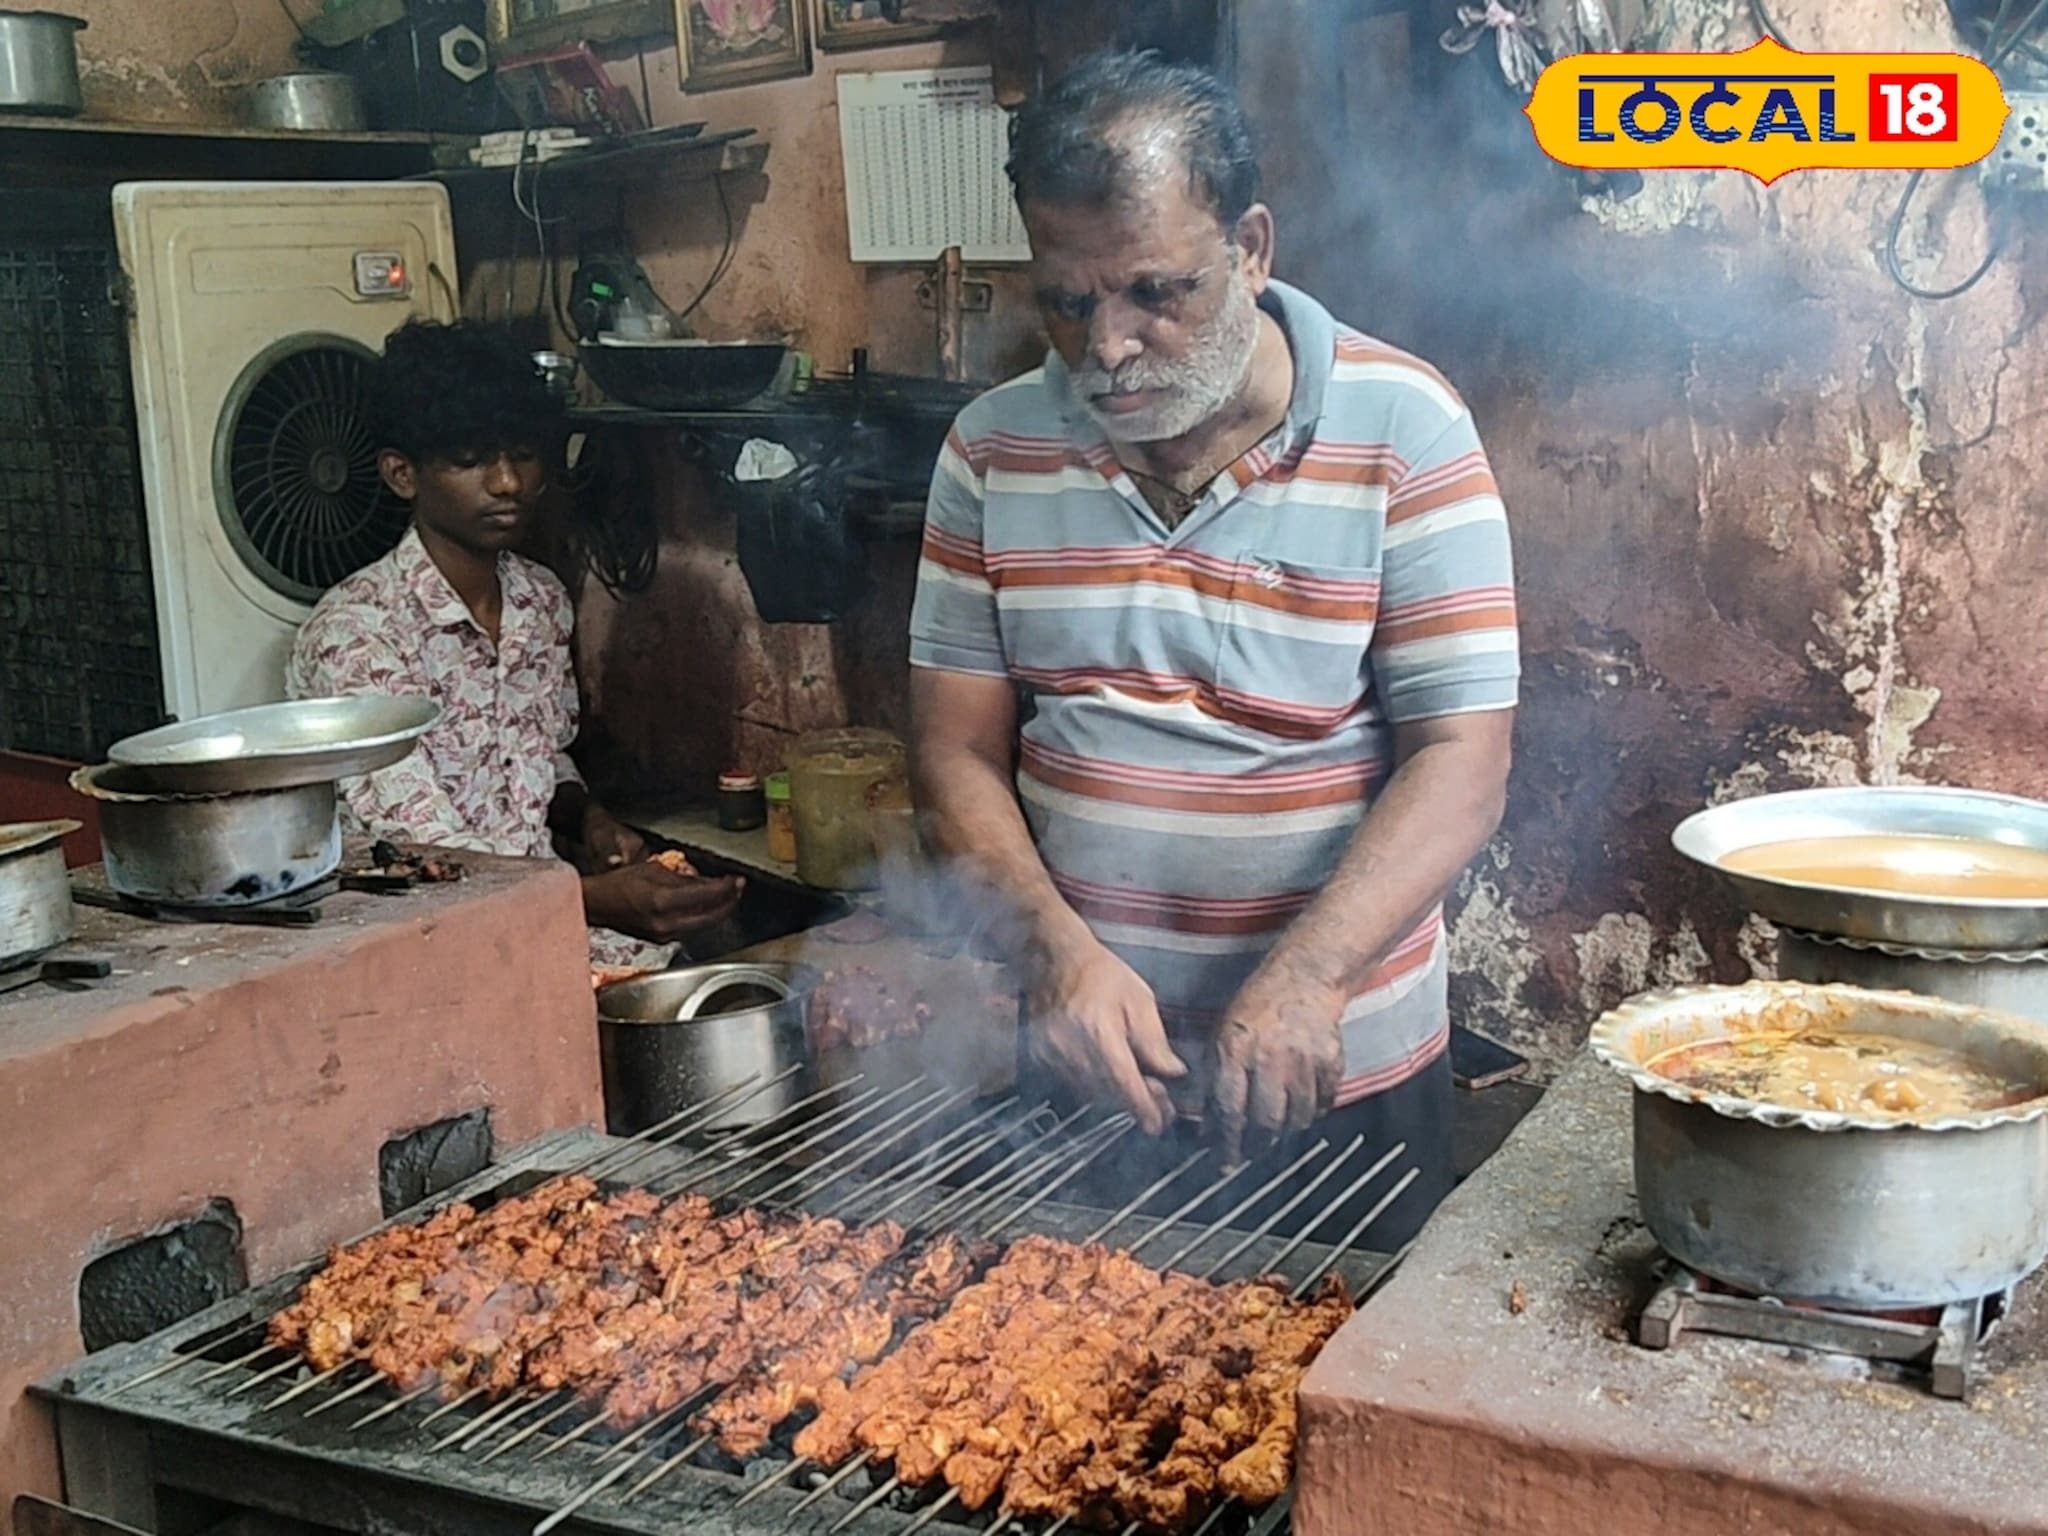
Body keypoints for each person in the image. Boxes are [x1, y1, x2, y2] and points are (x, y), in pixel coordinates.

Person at [906, 51, 1519, 1249]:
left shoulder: (1405, 427)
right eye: (1068, 303)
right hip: (1087, 1053)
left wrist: (1309, 982)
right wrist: (1055, 960)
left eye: (1155, 291)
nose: (1110, 348)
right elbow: (950, 756)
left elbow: (1461, 758)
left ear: (1249, 246)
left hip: (1333, 1063)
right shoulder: (990, 450)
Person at [288, 319, 741, 969]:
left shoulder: (540, 600)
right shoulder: (354, 637)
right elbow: (425, 857)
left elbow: (538, 755)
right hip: (428, 949)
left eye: (522, 454)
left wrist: (587, 816)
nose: (507, 483)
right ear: (402, 475)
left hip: (558, 921)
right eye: (471, 460)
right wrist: (598, 901)